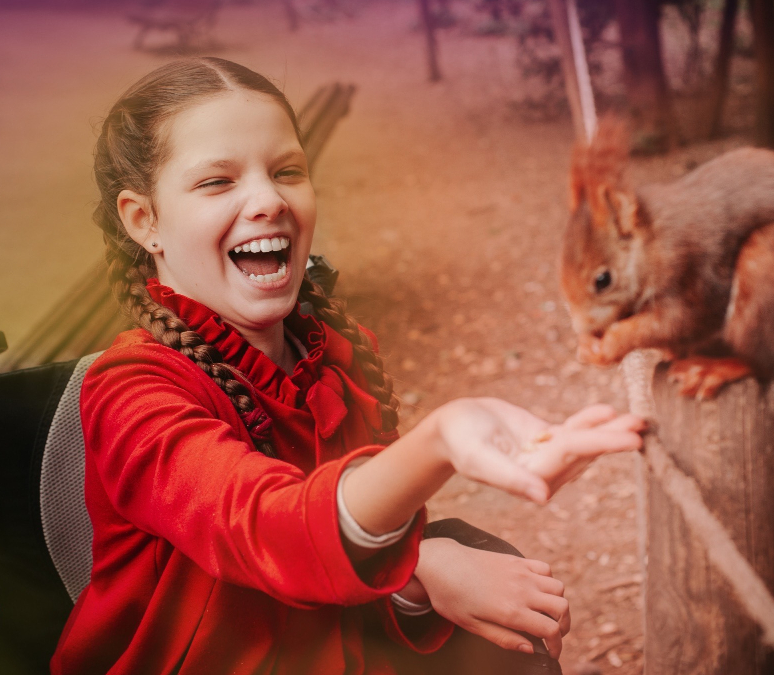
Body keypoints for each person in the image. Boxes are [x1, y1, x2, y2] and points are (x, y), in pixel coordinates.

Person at [50, 57, 645, 675]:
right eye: (216, 182)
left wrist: (416, 578)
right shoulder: (132, 393)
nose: (269, 200)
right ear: (145, 221)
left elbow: (343, 574)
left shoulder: (340, 350)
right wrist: (437, 448)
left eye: (287, 171)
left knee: (496, 618)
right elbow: (267, 528)